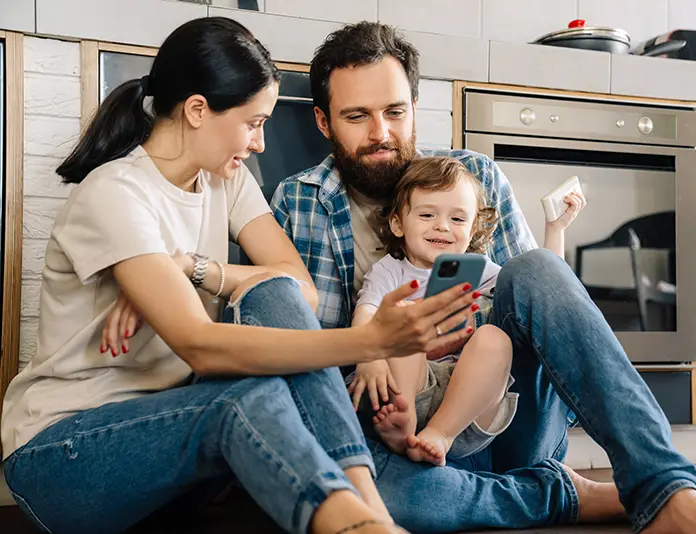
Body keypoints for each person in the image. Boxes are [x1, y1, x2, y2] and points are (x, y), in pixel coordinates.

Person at [0, 17, 481, 534]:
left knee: (270, 293)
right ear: (198, 111)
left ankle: (365, 501)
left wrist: (188, 268)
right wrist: (366, 341)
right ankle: (364, 523)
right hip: (65, 457)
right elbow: (201, 347)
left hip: (178, 446)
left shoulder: (224, 182)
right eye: (253, 123)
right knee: (246, 401)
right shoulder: (115, 192)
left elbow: (296, 290)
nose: (259, 144)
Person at [271, 20, 696, 534]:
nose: (381, 132)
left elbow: (540, 300)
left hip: (503, 418)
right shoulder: (299, 201)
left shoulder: (474, 176)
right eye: (357, 116)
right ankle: (564, 494)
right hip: (399, 440)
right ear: (323, 121)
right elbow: (297, 356)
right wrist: (368, 349)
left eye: (395, 112)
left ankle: (666, 488)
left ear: (415, 108)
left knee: (537, 264)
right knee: (374, 500)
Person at [349, 156, 583, 467]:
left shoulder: (480, 270)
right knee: (402, 327)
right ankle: (402, 426)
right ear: (397, 223)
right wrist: (369, 357)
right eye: (427, 214)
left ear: (472, 229)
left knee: (493, 339)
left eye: (458, 220)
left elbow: (543, 292)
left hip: (466, 405)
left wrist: (556, 229)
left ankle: (439, 435)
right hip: (408, 387)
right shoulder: (389, 271)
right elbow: (365, 313)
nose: (442, 226)